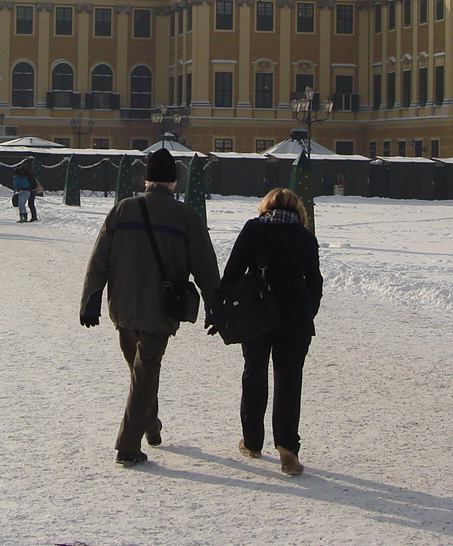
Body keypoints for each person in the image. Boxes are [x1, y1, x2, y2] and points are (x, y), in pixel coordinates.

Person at [79, 147, 221, 466]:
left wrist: (91, 299)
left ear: (146, 180)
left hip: (123, 306)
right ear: (173, 183)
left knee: (140, 371)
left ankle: (150, 425)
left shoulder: (122, 209)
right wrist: (214, 304)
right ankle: (128, 445)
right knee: (145, 371)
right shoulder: (186, 217)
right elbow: (205, 266)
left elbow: (99, 259)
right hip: (161, 307)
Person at [222, 188, 322, 476]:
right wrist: (307, 312)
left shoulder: (253, 229)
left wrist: (227, 309)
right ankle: (288, 451)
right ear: (297, 210)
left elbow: (232, 273)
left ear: (266, 206)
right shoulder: (305, 237)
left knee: (254, 374)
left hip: (257, 315)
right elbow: (314, 282)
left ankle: (252, 442)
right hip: (296, 318)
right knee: (289, 381)